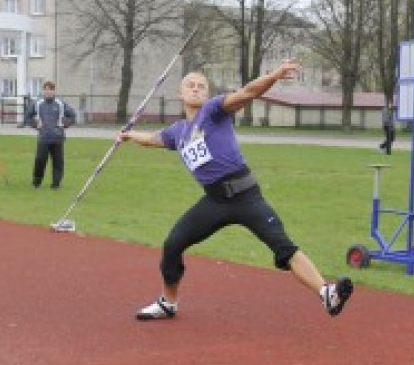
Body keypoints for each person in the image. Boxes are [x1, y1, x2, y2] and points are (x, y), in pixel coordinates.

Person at [117, 60, 354, 320]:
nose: (195, 89)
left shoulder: (214, 110)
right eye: (190, 85)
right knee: (173, 245)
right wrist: (129, 135)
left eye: (201, 86)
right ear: (180, 93)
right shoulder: (178, 131)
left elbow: (248, 92)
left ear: (207, 93)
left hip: (246, 196)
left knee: (283, 246)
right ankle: (168, 303)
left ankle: (327, 293)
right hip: (214, 202)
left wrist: (274, 75)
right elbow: (153, 139)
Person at [26, 82, 77, 189]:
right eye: (46, 89)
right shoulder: (38, 104)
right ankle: (36, 183)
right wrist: (36, 125)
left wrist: (64, 124)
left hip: (57, 137)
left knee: (58, 162)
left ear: (54, 91)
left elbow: (73, 116)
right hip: (43, 137)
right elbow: (28, 117)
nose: (48, 92)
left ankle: (56, 184)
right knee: (40, 160)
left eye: (50, 89)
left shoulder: (60, 104)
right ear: (43, 91)